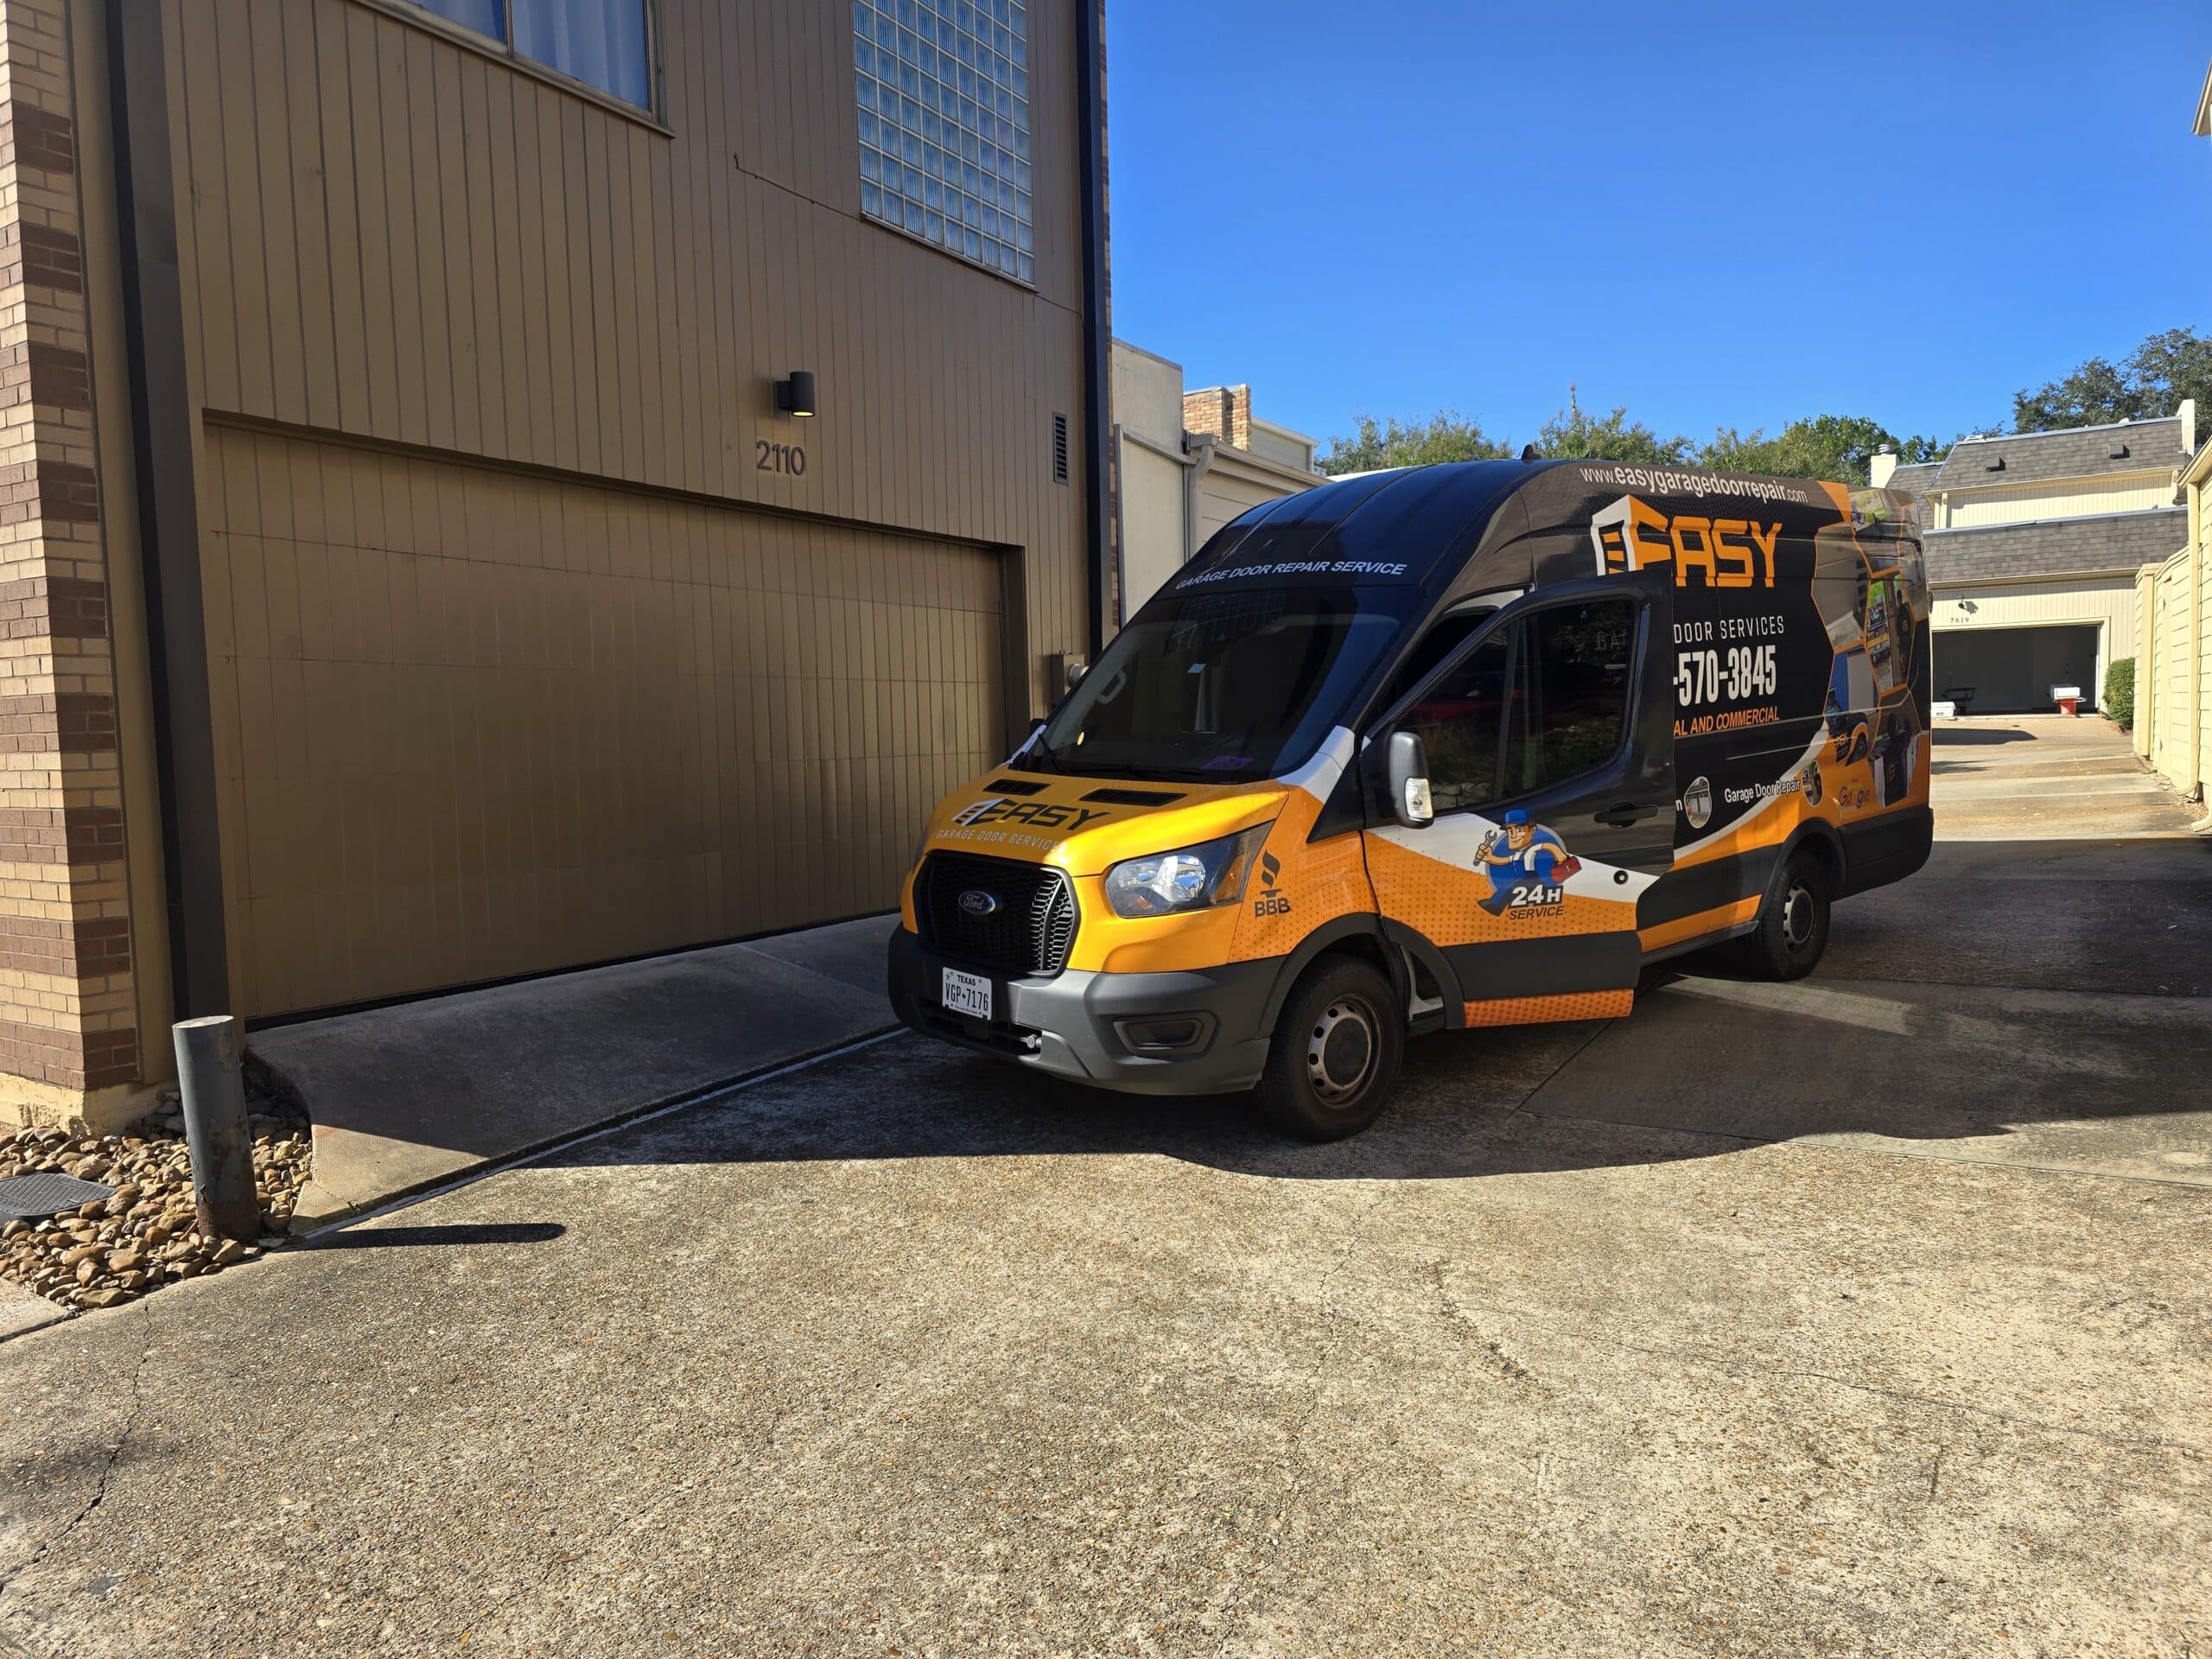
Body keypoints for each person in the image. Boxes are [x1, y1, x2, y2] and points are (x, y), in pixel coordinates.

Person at [1476, 809, 1576, 914]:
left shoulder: (1534, 849)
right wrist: (1490, 858)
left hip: (1532, 880)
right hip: (1522, 881)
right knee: (1508, 886)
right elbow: (1504, 860)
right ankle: (1495, 904)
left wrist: (1561, 859)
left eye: (1519, 830)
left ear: (1532, 831)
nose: (1513, 835)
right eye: (1510, 831)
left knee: (1510, 887)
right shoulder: (1517, 854)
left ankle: (1496, 906)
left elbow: (1550, 846)